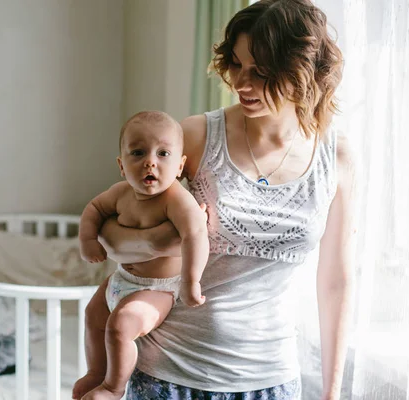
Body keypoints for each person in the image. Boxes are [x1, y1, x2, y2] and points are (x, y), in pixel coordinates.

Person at [96, 1, 357, 399]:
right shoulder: (198, 137)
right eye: (236, 65)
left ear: (302, 72)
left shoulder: (336, 157)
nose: (241, 83)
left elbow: (335, 281)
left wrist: (332, 392)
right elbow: (110, 232)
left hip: (271, 380)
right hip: (169, 371)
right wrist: (162, 240)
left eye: (261, 72)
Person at [72, 110, 210, 400]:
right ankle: (96, 373)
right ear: (122, 166)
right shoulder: (120, 193)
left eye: (163, 153)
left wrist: (191, 281)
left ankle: (113, 387)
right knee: (93, 315)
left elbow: (196, 234)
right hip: (121, 279)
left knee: (120, 327)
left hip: (157, 289)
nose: (150, 161)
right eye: (138, 152)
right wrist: (87, 240)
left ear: (180, 165)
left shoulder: (175, 199)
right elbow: (93, 210)